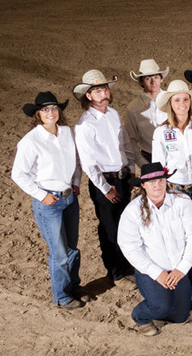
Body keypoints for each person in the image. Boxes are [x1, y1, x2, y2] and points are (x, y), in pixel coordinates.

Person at [12, 92, 84, 309]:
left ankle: (73, 287)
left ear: (58, 111)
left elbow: (76, 160)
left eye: (53, 108)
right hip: (48, 201)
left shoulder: (66, 133)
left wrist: (76, 181)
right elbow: (18, 174)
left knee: (72, 248)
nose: (50, 113)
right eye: (45, 110)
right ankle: (62, 296)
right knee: (59, 252)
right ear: (38, 115)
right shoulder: (30, 141)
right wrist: (41, 195)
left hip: (68, 197)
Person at [118, 163, 192, 337]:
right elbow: (130, 247)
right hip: (151, 270)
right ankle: (140, 317)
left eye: (160, 180)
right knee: (160, 306)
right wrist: (157, 273)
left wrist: (181, 269)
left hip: (179, 269)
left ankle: (167, 304)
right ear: (143, 185)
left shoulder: (183, 203)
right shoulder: (133, 211)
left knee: (180, 316)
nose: (157, 185)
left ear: (166, 181)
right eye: (151, 182)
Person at [73, 69, 137, 287]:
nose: (103, 93)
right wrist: (105, 188)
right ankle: (116, 271)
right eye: (97, 91)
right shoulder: (85, 125)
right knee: (110, 226)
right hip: (106, 180)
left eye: (105, 89)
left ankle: (126, 265)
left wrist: (130, 166)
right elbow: (88, 162)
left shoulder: (113, 114)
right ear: (88, 96)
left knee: (126, 223)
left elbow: (124, 142)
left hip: (122, 175)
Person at [151, 80, 192, 204]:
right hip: (175, 191)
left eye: (186, 99)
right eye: (177, 100)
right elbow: (158, 165)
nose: (182, 103)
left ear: (190, 102)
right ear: (170, 103)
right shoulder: (161, 132)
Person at [125, 59, 168, 165]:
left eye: (156, 77)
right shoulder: (133, 108)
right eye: (148, 78)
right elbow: (131, 140)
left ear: (161, 79)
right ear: (141, 82)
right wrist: (142, 163)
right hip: (149, 157)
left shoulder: (173, 100)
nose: (153, 82)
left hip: (175, 154)